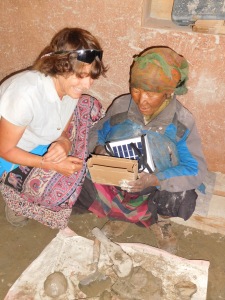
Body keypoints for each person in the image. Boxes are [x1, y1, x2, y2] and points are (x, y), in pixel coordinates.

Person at [75, 46, 207, 254]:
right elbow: (97, 132)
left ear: (167, 93)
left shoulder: (182, 121)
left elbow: (195, 170)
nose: (141, 100)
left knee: (181, 195)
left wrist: (156, 179)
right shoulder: (121, 105)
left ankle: (161, 222)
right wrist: (99, 149)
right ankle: (120, 216)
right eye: (136, 90)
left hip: (154, 187)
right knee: (80, 180)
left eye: (151, 94)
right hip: (118, 180)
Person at [0, 27, 107, 229]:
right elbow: (4, 150)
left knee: (89, 105)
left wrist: (63, 141)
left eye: (92, 76)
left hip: (39, 138)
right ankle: (16, 199)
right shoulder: (25, 95)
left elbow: (64, 118)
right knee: (65, 190)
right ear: (60, 67)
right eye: (81, 76)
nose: (87, 84)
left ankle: (45, 174)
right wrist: (49, 164)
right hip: (10, 156)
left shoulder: (66, 87)